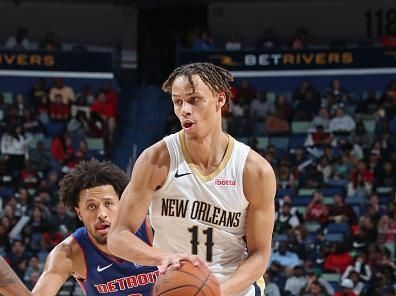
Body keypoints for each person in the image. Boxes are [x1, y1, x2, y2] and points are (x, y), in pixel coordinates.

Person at [108, 62, 276, 296]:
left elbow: (259, 255)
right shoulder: (156, 160)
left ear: (220, 100)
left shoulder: (254, 170)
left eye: (194, 99)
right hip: (177, 288)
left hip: (233, 290)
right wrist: (165, 257)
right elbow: (117, 236)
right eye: (178, 102)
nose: (184, 109)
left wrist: (215, 292)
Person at [32, 159, 158, 296]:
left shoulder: (152, 229)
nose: (101, 214)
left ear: (121, 204)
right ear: (79, 213)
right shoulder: (69, 252)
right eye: (91, 206)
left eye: (108, 203)